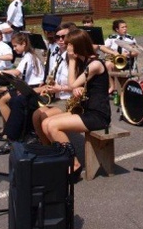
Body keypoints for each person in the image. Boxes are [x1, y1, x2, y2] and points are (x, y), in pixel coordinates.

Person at [42, 28, 111, 183]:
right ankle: (60, 159)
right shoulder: (84, 61)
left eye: (69, 44)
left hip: (98, 115)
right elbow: (77, 85)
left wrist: (72, 61)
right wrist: (79, 88)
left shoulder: (95, 64)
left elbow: (72, 83)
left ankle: (74, 165)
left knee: (53, 126)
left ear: (77, 45)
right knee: (46, 123)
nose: (66, 47)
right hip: (86, 109)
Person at [0, 32, 44, 150]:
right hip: (27, 85)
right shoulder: (29, 55)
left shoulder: (28, 56)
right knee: (1, 96)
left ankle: (12, 132)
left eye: (16, 46)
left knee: (4, 100)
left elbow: (16, 73)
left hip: (32, 87)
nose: (14, 49)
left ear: (24, 44)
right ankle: (11, 128)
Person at [32, 23, 75, 144]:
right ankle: (49, 148)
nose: (60, 40)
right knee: (36, 115)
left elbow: (77, 85)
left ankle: (65, 154)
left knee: (44, 117)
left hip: (69, 99)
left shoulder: (73, 57)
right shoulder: (58, 55)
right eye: (57, 37)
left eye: (64, 37)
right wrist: (48, 85)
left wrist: (58, 88)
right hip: (57, 97)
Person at [102, 19, 139, 94]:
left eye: (125, 27)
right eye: (122, 27)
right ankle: (112, 86)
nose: (125, 29)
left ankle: (119, 87)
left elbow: (136, 52)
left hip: (126, 60)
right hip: (115, 59)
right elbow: (102, 47)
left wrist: (128, 54)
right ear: (117, 29)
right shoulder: (112, 37)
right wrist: (112, 52)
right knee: (108, 64)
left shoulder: (130, 38)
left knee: (115, 66)